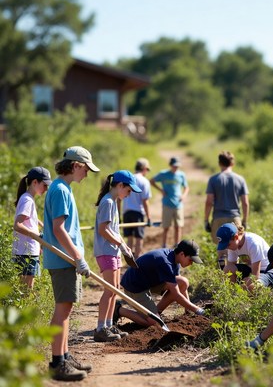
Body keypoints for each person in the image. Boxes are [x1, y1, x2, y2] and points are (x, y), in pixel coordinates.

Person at [43, 146, 99, 381]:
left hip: (66, 259)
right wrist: (77, 256)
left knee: (67, 309)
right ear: (75, 166)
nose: (86, 174)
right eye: (86, 169)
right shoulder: (60, 191)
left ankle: (64, 355)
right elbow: (59, 229)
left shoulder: (62, 187)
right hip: (64, 259)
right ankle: (58, 363)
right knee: (63, 310)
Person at [93, 170, 142, 343]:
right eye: (128, 191)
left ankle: (108, 325)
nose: (129, 195)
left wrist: (123, 244)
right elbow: (103, 230)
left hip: (113, 250)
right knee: (109, 290)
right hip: (106, 251)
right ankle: (100, 328)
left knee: (115, 289)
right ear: (120, 185)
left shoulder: (113, 202)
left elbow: (113, 230)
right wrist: (120, 244)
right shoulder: (107, 202)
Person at [114, 240, 205, 327]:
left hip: (149, 282)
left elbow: (178, 285)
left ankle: (155, 313)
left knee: (183, 282)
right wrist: (197, 310)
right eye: (190, 260)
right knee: (155, 324)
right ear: (182, 254)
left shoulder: (175, 259)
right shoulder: (165, 262)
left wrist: (188, 311)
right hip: (135, 287)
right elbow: (176, 294)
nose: (191, 263)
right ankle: (118, 310)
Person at [204, 151, 249, 266]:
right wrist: (245, 221)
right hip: (235, 218)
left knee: (221, 250)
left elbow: (209, 202)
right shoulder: (240, 179)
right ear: (232, 163)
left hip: (218, 218)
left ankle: (222, 274)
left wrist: (206, 220)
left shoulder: (213, 179)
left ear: (219, 163)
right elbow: (245, 203)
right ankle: (235, 276)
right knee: (235, 249)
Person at [12, 167, 52, 289]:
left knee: (28, 289)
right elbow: (18, 225)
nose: (46, 189)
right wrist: (37, 236)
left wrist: (42, 225)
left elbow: (29, 219)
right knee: (26, 290)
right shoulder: (27, 200)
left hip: (28, 251)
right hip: (26, 253)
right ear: (35, 182)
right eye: (44, 185)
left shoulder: (27, 198)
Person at [216, 223, 273, 291]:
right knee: (227, 269)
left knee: (251, 287)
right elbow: (230, 267)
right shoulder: (233, 246)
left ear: (236, 237)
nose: (227, 248)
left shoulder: (253, 243)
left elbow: (255, 276)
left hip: (267, 272)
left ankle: (243, 293)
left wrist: (246, 281)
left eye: (228, 245)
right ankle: (233, 293)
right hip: (250, 269)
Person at [150, 157, 189, 247]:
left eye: (177, 166)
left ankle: (177, 245)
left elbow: (186, 187)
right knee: (166, 227)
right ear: (171, 165)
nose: (176, 168)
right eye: (174, 166)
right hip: (167, 204)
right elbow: (152, 181)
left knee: (178, 226)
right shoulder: (163, 174)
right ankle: (164, 245)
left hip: (178, 204)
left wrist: (184, 195)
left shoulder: (181, 175)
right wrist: (161, 190)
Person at [122, 158, 152, 257]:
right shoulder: (144, 181)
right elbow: (145, 201)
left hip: (126, 211)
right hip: (138, 212)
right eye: (147, 170)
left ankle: (129, 260)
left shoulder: (129, 178)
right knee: (139, 238)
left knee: (129, 238)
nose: (147, 172)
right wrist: (149, 217)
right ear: (144, 168)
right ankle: (137, 260)